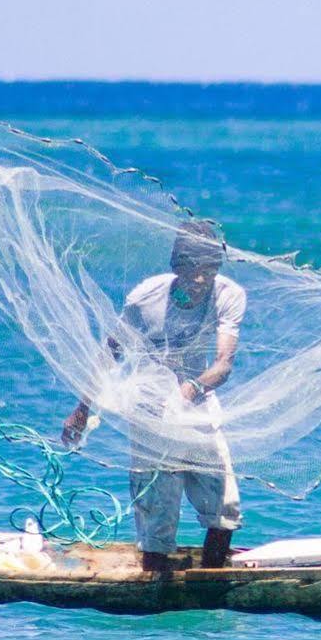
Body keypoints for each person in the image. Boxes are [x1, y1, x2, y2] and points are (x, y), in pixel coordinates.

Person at [62, 220, 244, 573]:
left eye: (209, 269)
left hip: (196, 405)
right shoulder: (146, 299)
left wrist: (190, 390)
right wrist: (81, 410)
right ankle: (156, 596)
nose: (201, 279)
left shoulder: (228, 295)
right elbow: (110, 355)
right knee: (159, 515)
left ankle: (211, 586)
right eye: (193, 269)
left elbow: (223, 363)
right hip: (149, 412)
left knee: (224, 508)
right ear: (177, 267)